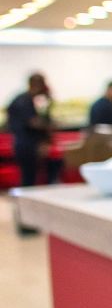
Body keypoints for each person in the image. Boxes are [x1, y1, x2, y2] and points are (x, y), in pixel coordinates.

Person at [7, 73, 61, 235]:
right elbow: (33, 122)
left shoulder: (24, 100)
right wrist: (48, 125)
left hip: (25, 145)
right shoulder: (23, 101)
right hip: (26, 147)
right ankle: (26, 223)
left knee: (29, 182)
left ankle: (28, 221)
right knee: (28, 184)